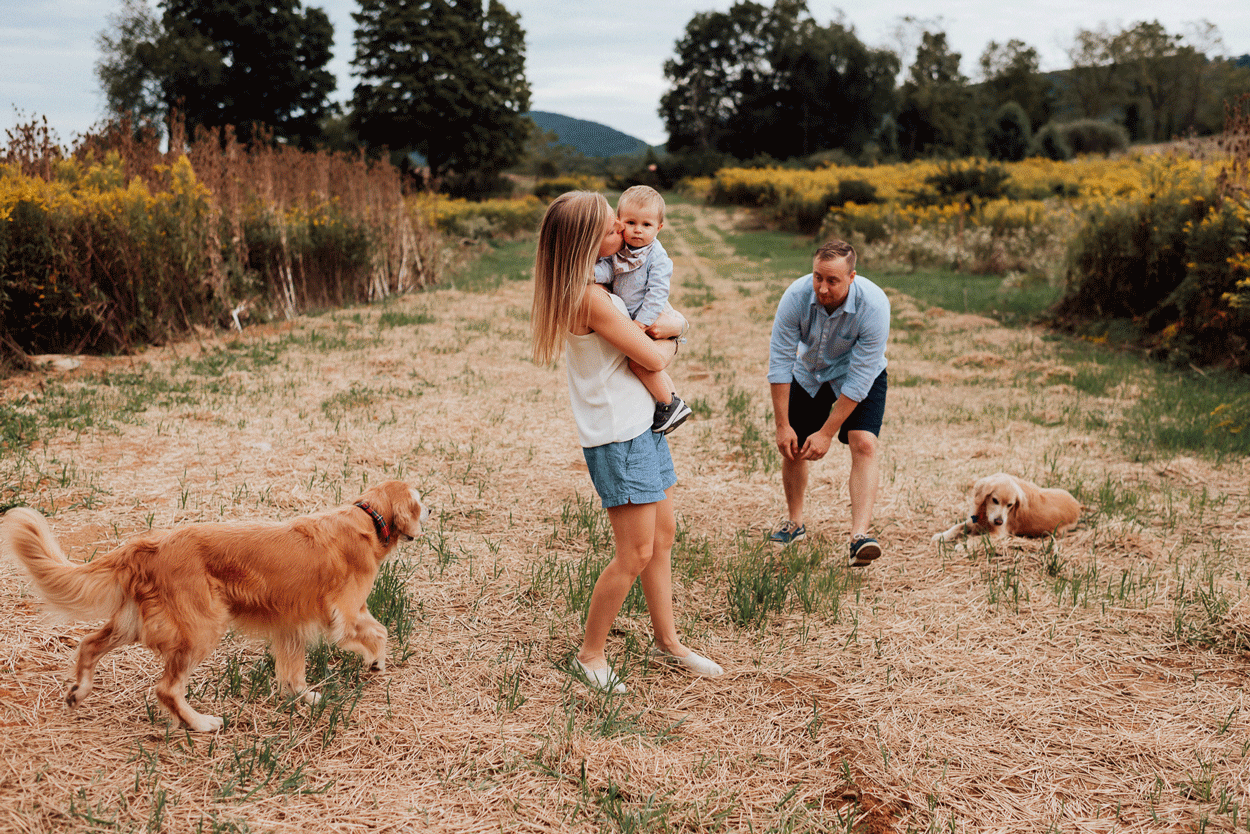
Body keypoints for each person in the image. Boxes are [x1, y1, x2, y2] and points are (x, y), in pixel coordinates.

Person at [531, 191, 723, 694]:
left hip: (643, 426)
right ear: (587, 242)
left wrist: (671, 324)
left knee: (662, 539)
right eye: (613, 226)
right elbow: (654, 359)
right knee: (634, 552)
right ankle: (590, 654)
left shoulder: (600, 282)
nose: (623, 231)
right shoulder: (590, 298)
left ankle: (668, 642)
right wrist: (679, 331)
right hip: (619, 437)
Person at [766, 240, 889, 567]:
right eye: (818, 277)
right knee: (793, 445)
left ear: (852, 277)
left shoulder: (874, 305)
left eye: (833, 280)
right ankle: (794, 524)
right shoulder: (795, 296)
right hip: (810, 372)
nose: (822, 287)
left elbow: (861, 379)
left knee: (863, 443)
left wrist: (827, 432)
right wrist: (782, 425)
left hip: (858, 377)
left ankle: (859, 536)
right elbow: (780, 362)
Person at [593, 185, 692, 435]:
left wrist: (643, 323)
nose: (638, 229)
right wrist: (588, 274)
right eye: (631, 222)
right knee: (643, 365)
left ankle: (669, 403)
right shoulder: (620, 251)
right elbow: (608, 271)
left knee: (639, 364)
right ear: (619, 222)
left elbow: (658, 292)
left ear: (658, 228)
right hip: (634, 318)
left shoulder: (656, 257)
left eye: (646, 225)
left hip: (651, 317)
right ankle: (673, 400)